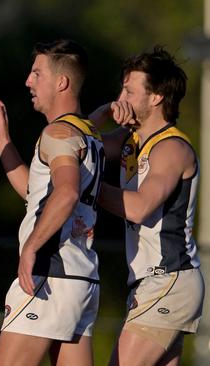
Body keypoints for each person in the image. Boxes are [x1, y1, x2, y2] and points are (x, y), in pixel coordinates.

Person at [0, 40, 104, 366]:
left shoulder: (59, 133)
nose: (28, 81)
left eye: (37, 73)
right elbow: (36, 193)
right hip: (81, 278)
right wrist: (3, 142)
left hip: (50, 273)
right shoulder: (88, 133)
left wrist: (31, 247)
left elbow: (65, 193)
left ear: (61, 82)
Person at [90, 47, 204, 366]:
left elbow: (139, 207)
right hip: (152, 281)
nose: (120, 98)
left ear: (155, 97)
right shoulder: (130, 140)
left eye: (129, 90)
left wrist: (85, 189)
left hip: (169, 278)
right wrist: (101, 114)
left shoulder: (172, 148)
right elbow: (75, 144)